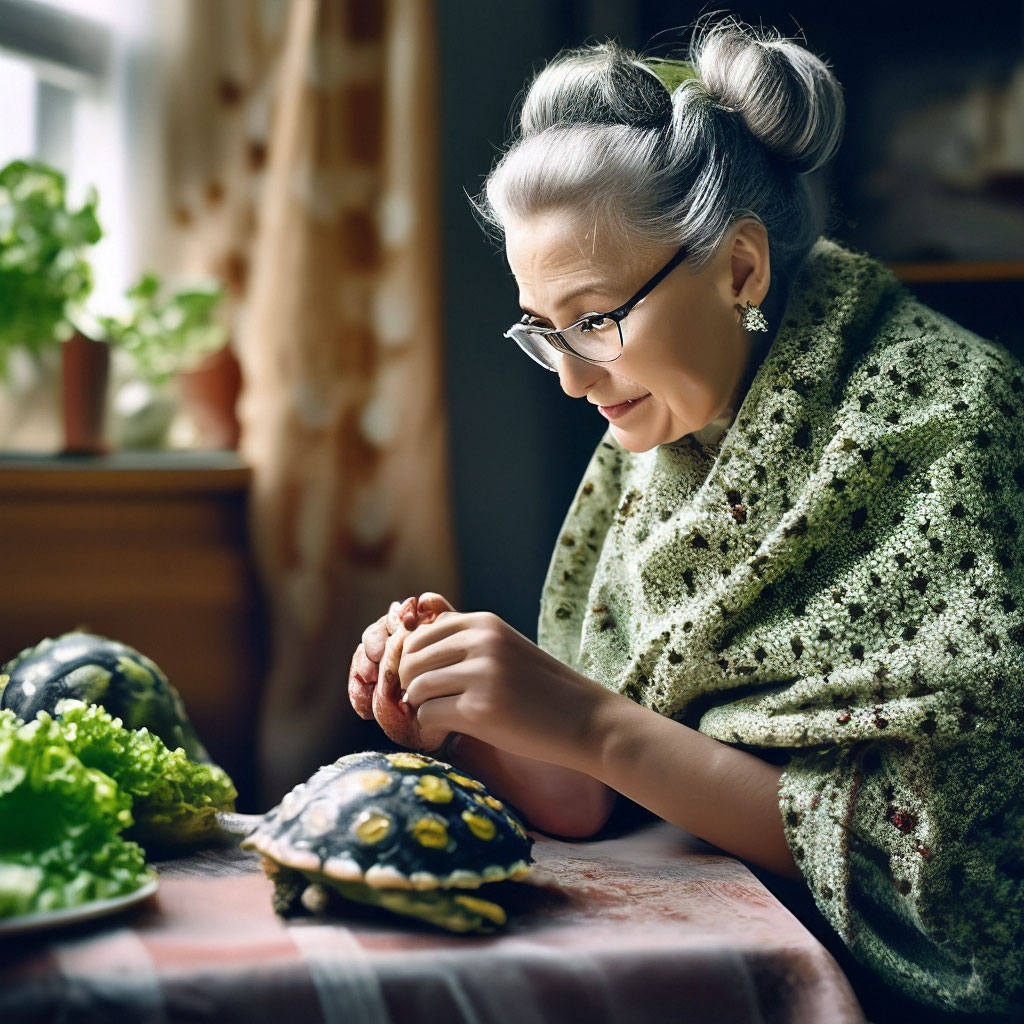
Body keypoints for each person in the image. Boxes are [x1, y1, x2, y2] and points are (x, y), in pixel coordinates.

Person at [347, 18, 1024, 1021]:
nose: (572, 380)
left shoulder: (951, 430)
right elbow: (593, 795)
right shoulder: (661, 438)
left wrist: (586, 720)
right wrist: (467, 714)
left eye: (594, 319)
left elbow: (921, 866)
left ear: (739, 269)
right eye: (544, 332)